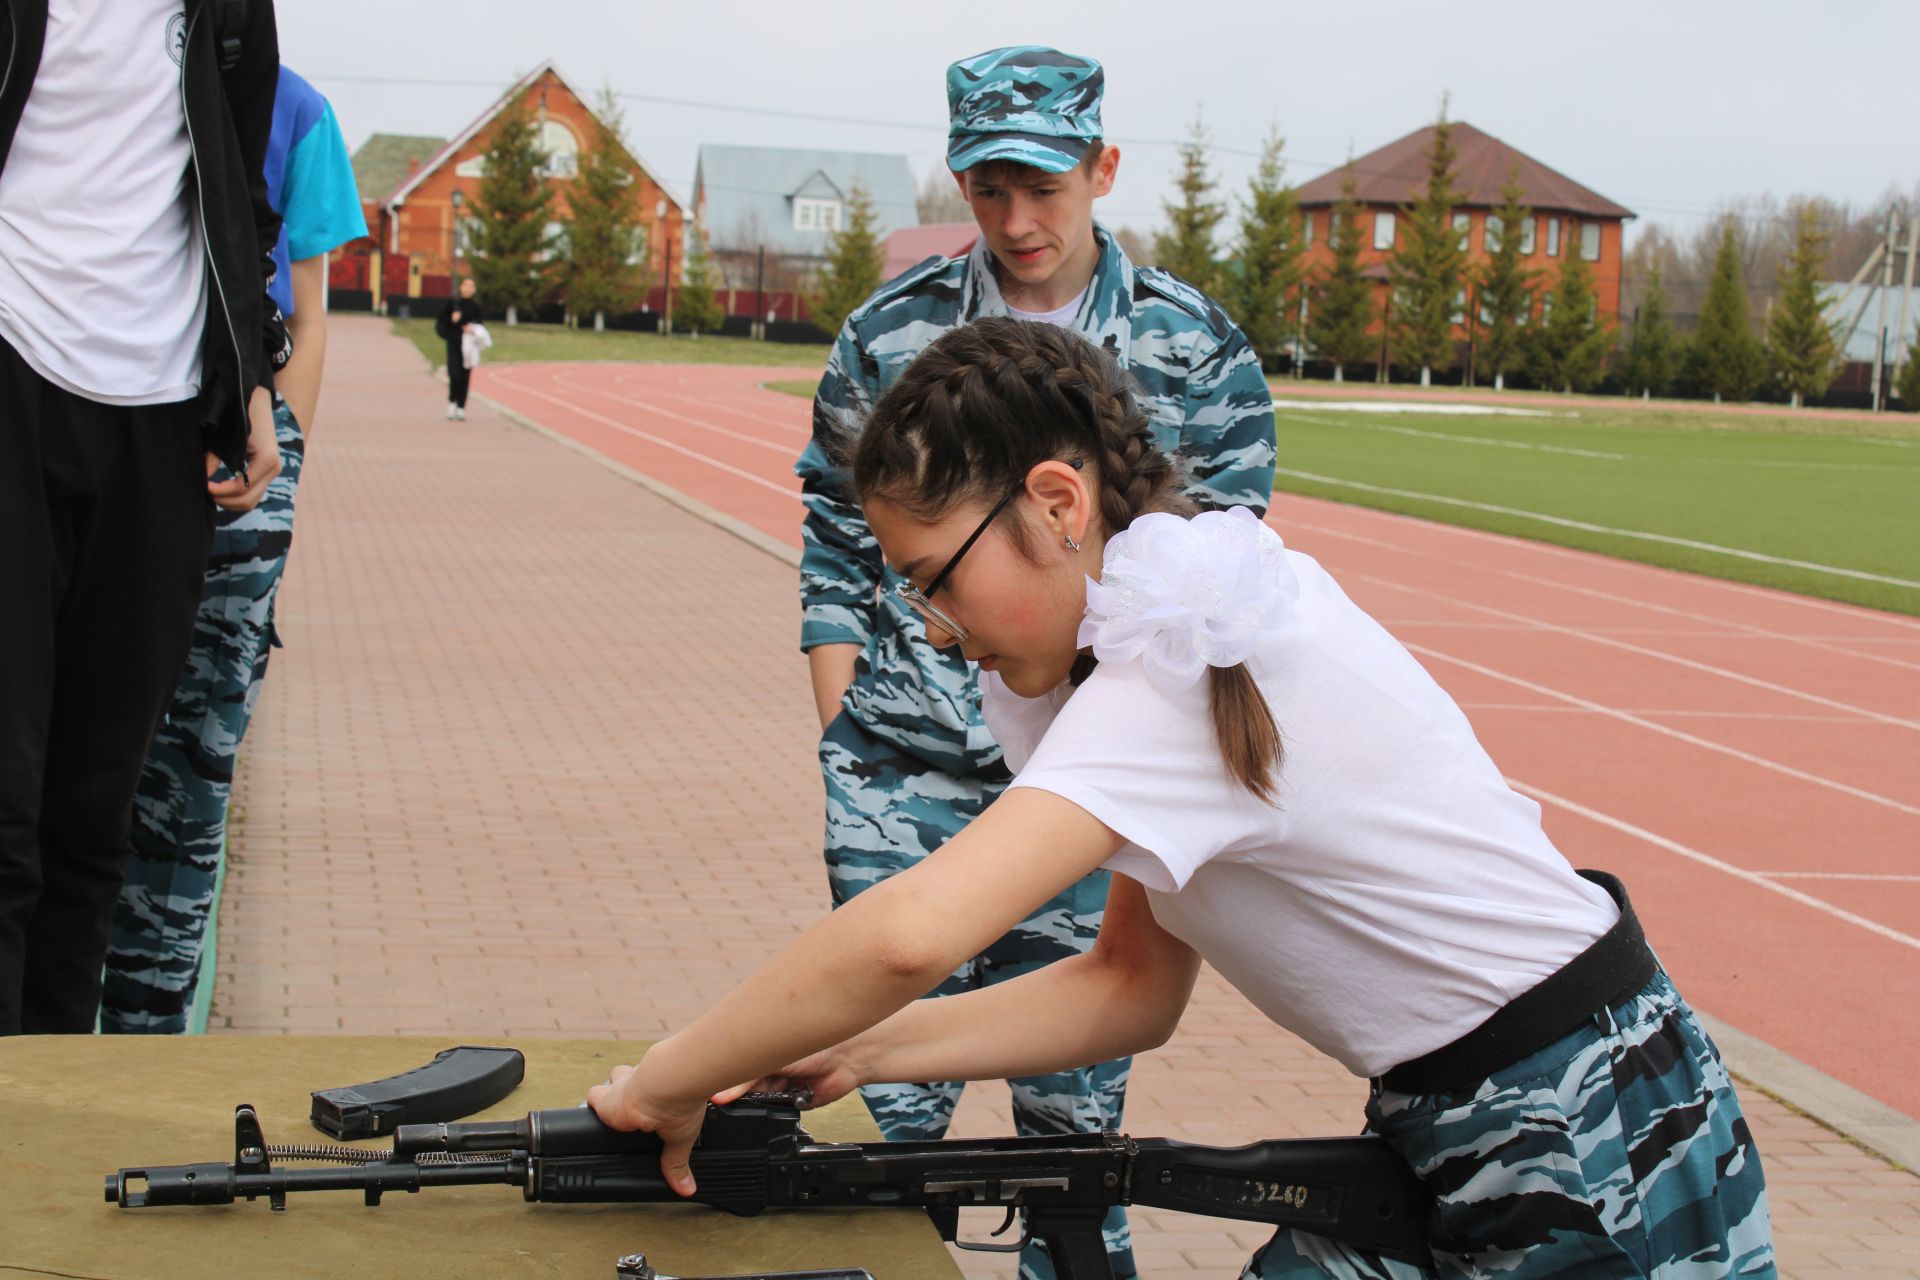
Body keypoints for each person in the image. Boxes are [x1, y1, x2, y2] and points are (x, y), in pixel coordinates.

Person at [592, 319, 1777, 1279]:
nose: (934, 634)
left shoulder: (1172, 670)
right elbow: (1128, 986)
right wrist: (859, 1051)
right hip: (1488, 1106)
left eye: (933, 581)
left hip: (1586, 1118)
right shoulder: (1177, 630)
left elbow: (909, 932)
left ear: (1057, 504)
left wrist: (665, 1079)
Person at [793, 47, 1276, 1280]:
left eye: (1045, 188)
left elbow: (1224, 579)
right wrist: (845, 712)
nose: (1016, 221)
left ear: (1102, 168)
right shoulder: (890, 333)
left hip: (1083, 785)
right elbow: (834, 533)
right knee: (867, 1134)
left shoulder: (1194, 348)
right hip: (904, 781)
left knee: (1069, 1143)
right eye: (989, 185)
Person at [0, 0, 286, 1036]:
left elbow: (241, 200)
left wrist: (248, 378)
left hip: (160, 418)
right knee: (5, 812)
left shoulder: (226, 11)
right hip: (14, 364)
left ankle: (44, 1131)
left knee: (93, 815)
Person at [100, 64, 367, 1034]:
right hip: (111, 425)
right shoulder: (113, 74)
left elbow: (308, 310)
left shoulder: (296, 110)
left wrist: (284, 454)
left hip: (238, 457)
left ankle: (151, 1023)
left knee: (193, 766)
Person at [437, 277, 481, 419]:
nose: (468, 288)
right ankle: (452, 402)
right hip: (454, 343)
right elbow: (440, 322)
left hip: (469, 347)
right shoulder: (453, 304)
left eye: (471, 286)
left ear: (474, 290)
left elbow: (480, 325)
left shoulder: (475, 306)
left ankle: (461, 407)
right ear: (461, 287)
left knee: (465, 376)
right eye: (466, 285)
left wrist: (472, 329)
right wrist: (452, 320)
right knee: (454, 374)